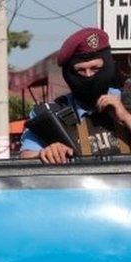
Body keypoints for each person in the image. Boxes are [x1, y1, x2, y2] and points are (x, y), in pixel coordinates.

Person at [20, 28, 131, 164]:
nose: (89, 76)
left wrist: (125, 117)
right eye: (81, 71)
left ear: (107, 66)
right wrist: (46, 154)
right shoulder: (49, 115)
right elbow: (25, 160)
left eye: (95, 69)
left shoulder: (127, 102)